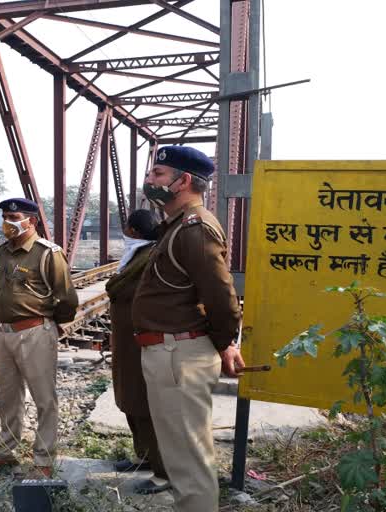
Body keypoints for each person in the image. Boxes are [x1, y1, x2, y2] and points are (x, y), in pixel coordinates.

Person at [131, 146, 245, 512]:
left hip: (179, 356)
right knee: (181, 454)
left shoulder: (195, 229)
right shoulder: (177, 226)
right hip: (169, 353)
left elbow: (221, 296)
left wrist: (226, 342)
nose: (150, 180)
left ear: (184, 181)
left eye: (159, 173)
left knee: (189, 458)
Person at [0, 198, 79, 479]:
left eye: (14, 216)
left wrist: (52, 325)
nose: (7, 222)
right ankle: (5, 452)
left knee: (44, 398)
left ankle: (43, 458)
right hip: (3, 333)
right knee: (8, 397)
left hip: (34, 332)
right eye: (5, 217)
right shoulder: (3, 252)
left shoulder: (47, 254)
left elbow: (67, 297)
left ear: (31, 221)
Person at [105, 209, 171, 494]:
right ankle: (144, 457)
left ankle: (163, 472)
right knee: (130, 399)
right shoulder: (137, 255)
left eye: (127, 229)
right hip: (127, 342)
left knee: (145, 405)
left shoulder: (150, 257)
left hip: (141, 343)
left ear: (133, 231)